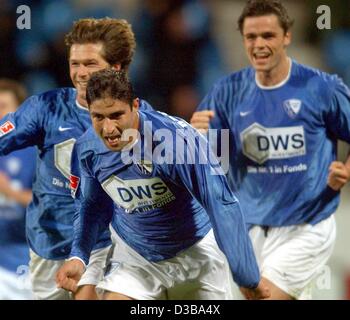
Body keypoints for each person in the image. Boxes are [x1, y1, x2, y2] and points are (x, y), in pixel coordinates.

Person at [55, 69, 270, 300]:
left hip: (195, 254)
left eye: (117, 115)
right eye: (98, 117)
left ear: (135, 106)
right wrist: (78, 255)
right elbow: (92, 206)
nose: (109, 129)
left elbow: (221, 203)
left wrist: (246, 274)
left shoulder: (176, 142)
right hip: (136, 257)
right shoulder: (87, 148)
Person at [190, 0, 350, 299]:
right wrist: (198, 138)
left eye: (268, 36)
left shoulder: (321, 88)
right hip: (247, 227)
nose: (259, 44)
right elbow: (211, 162)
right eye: (251, 37)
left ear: (287, 36)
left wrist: (347, 170)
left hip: (306, 224)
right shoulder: (226, 92)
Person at [0, 18, 152, 300]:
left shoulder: (139, 117)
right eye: (75, 64)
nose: (81, 73)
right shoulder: (44, 107)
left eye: (90, 64)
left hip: (108, 244)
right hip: (49, 243)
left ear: (115, 67)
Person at [0, 79, 36, 300]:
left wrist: (8, 191)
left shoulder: (38, 154)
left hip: (27, 262)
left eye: (3, 106)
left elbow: (52, 206)